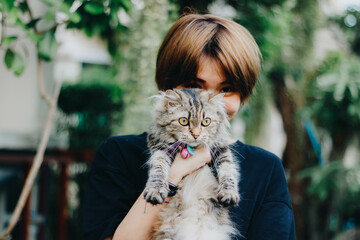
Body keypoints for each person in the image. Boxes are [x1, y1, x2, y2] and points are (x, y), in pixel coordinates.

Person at [83, 13, 296, 240]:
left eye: (226, 89)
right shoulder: (118, 155)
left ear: (243, 94)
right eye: (194, 86)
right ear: (167, 89)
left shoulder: (265, 168)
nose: (208, 104)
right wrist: (172, 175)